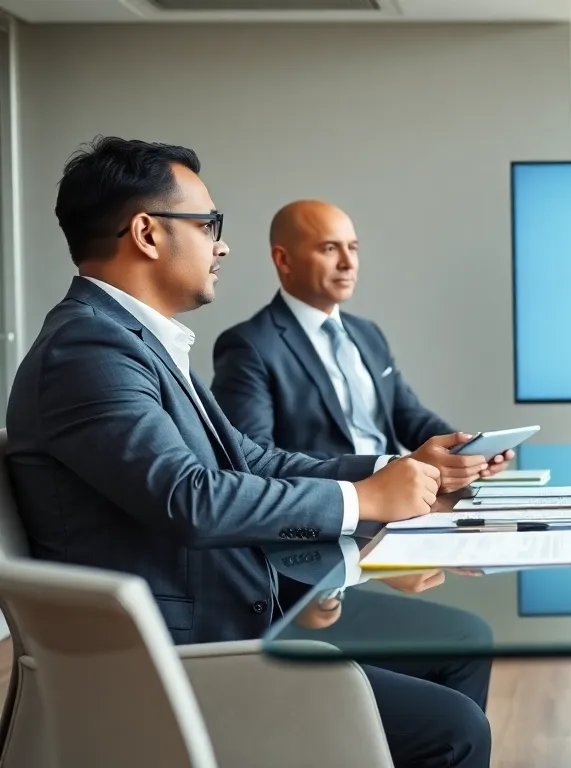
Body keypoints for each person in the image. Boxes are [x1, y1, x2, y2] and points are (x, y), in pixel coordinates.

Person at [4, 137, 492, 768]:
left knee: (458, 649)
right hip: (184, 655)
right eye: (209, 225)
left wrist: (393, 472)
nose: (223, 245)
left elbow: (251, 461)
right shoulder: (88, 352)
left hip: (232, 610)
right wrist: (363, 499)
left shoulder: (131, 341)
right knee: (452, 730)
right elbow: (189, 498)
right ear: (147, 233)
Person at [211, 199, 493, 476]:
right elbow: (252, 459)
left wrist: (466, 450)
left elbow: (408, 416)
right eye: (330, 248)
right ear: (283, 259)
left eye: (353, 248)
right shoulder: (249, 346)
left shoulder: (367, 334)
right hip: (336, 510)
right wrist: (383, 466)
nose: (348, 263)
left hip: (405, 499)